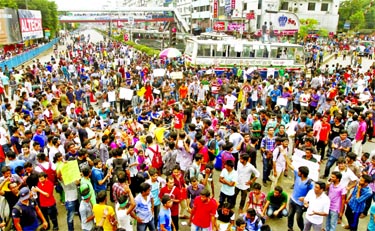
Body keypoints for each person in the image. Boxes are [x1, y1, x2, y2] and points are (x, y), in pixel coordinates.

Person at [287, 166, 314, 231]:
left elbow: (313, 194)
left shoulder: (310, 183)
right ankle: (290, 228)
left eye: (299, 171)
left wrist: (305, 198)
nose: (297, 172)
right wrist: (285, 156)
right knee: (290, 215)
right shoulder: (297, 175)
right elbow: (290, 165)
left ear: (302, 174)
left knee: (298, 218)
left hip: (300, 204)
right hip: (292, 200)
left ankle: (303, 229)